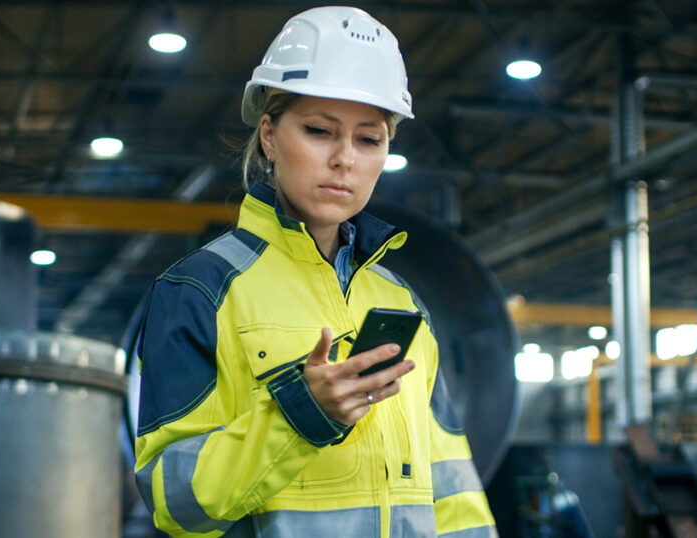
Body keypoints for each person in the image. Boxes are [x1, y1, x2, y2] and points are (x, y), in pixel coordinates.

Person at [131, 6, 497, 537]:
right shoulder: (200, 291)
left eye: (369, 139)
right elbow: (173, 502)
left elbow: (452, 485)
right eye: (320, 131)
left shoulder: (400, 302)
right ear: (269, 137)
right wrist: (299, 416)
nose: (345, 159)